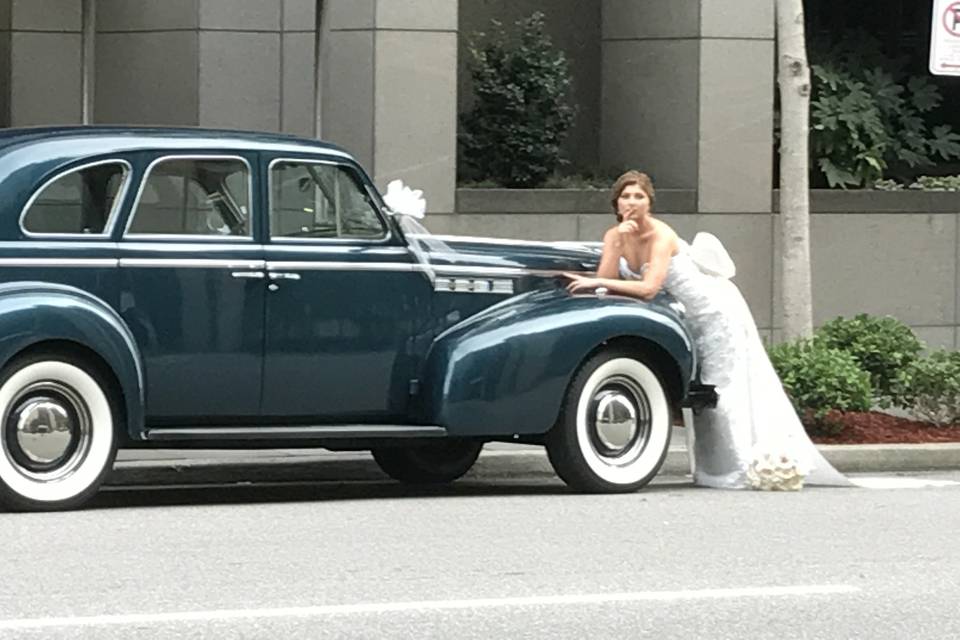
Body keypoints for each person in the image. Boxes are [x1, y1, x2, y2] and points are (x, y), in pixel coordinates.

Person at [564, 170, 851, 490]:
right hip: (681, 320)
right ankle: (713, 469)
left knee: (720, 390)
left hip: (713, 313)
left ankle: (741, 467)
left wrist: (599, 281)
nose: (632, 202)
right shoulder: (615, 235)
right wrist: (616, 243)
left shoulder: (661, 235)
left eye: (639, 196)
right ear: (616, 202)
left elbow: (647, 287)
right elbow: (605, 281)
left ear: (650, 202)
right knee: (704, 394)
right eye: (626, 196)